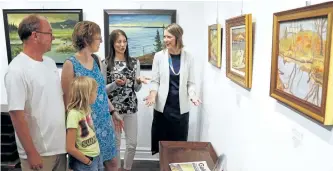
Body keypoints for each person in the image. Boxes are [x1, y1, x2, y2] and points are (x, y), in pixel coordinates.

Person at [4, 14, 67, 170]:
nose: (53, 38)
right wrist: (31, 152)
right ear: (35, 36)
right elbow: (16, 115)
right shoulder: (17, 70)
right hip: (38, 153)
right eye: (50, 33)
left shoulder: (50, 63)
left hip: (60, 148)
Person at [61, 21, 123, 171]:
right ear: (86, 39)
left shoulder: (96, 60)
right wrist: (74, 134)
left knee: (113, 164)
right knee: (90, 166)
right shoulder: (70, 64)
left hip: (104, 122)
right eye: (98, 38)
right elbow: (68, 103)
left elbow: (100, 91)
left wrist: (113, 111)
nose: (101, 41)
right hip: (86, 127)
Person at [144, 23, 202, 155]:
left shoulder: (188, 57)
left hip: (180, 110)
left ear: (177, 37)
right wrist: (153, 95)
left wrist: (193, 95)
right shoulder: (159, 56)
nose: (165, 40)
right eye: (164, 37)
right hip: (163, 110)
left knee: (179, 147)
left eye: (169, 37)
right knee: (163, 146)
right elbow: (155, 81)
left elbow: (191, 82)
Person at [102, 29, 150, 171]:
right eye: (119, 42)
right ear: (113, 43)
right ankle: (116, 168)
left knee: (132, 143)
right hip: (114, 110)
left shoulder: (134, 62)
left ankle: (127, 168)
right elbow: (103, 90)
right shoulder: (106, 63)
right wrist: (115, 84)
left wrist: (139, 81)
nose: (122, 44)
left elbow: (136, 88)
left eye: (124, 41)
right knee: (116, 144)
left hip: (131, 108)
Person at [66, 76, 103, 171]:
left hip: (96, 157)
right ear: (87, 94)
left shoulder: (86, 110)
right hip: (85, 161)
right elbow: (70, 147)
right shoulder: (74, 114)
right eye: (94, 91)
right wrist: (87, 161)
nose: (96, 94)